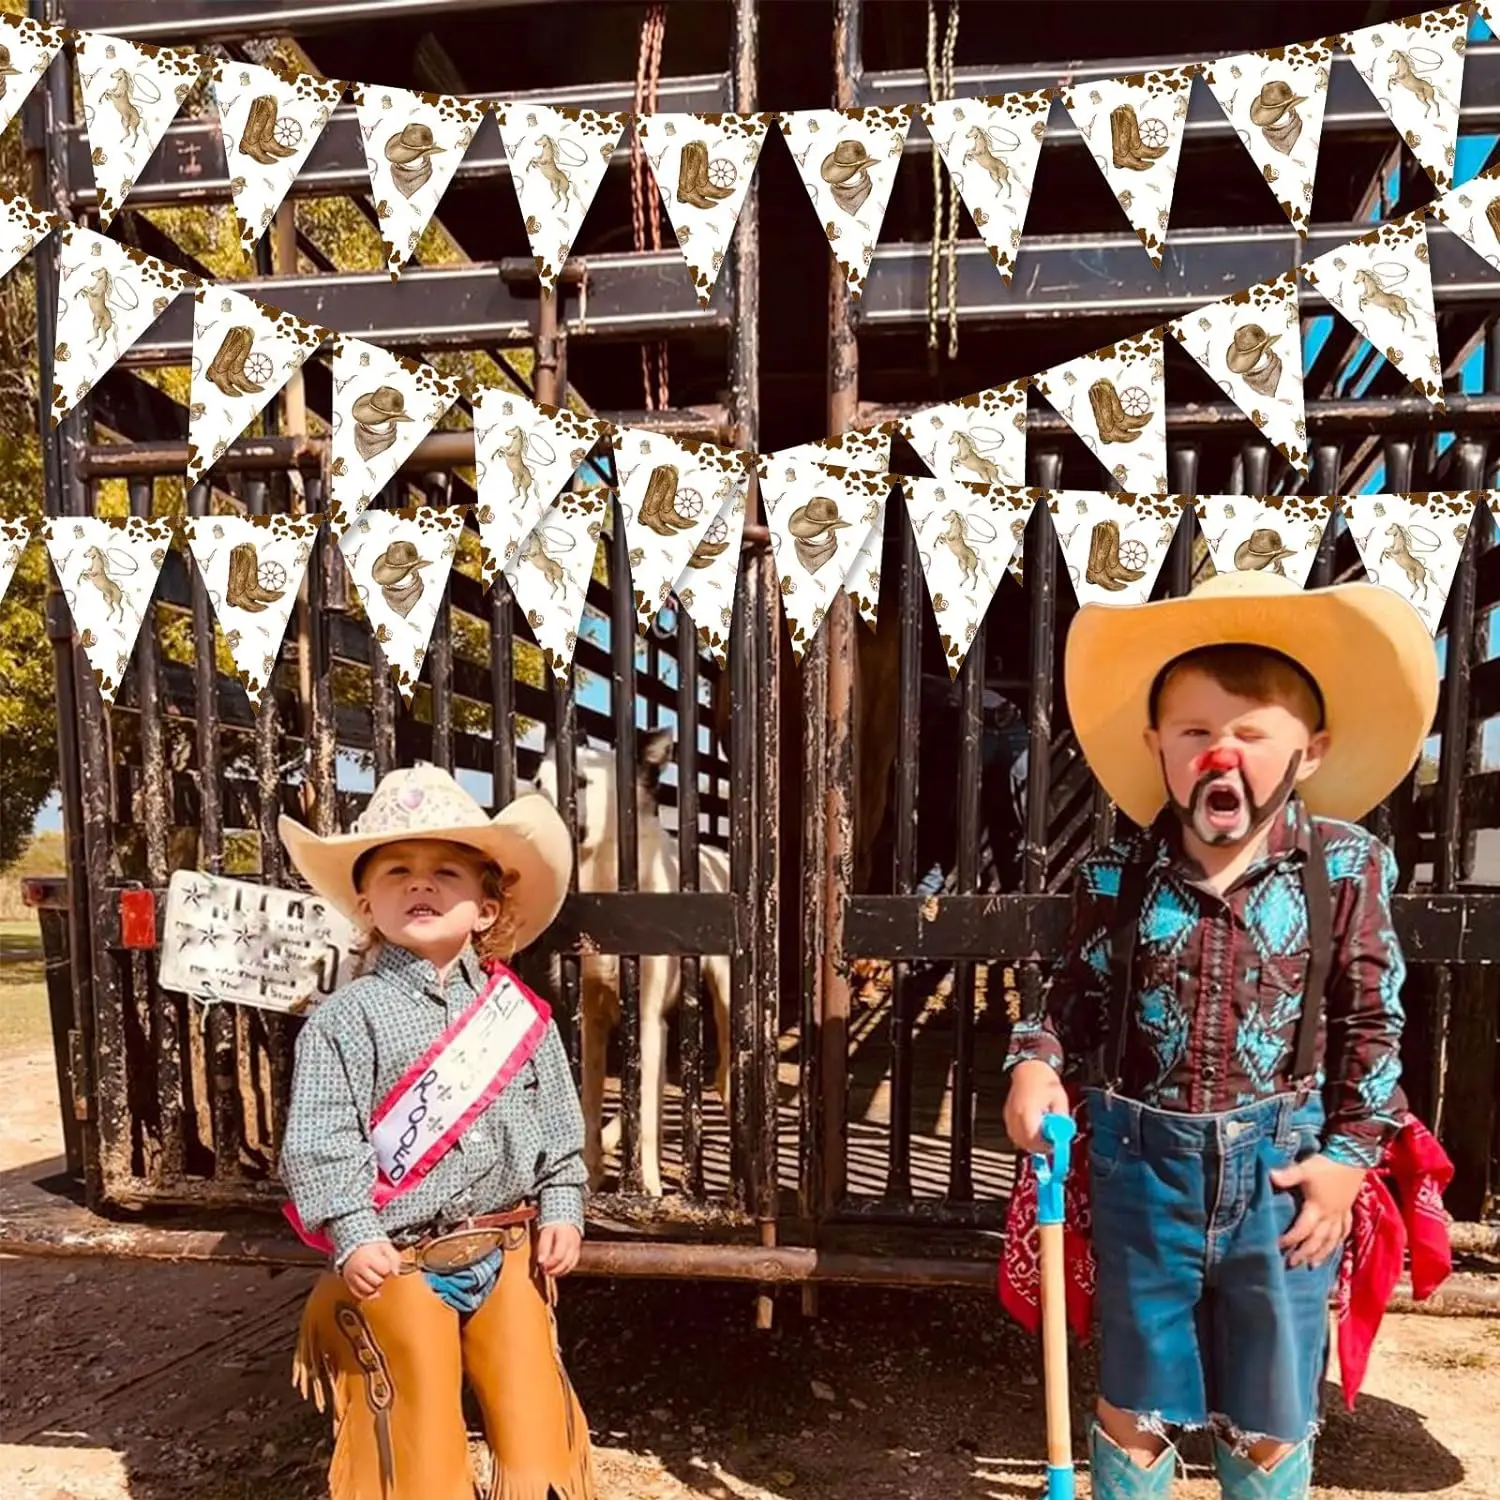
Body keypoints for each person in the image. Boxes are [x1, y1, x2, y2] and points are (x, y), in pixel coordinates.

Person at [1002, 569, 1438, 1500]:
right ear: (1158, 746)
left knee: (1273, 1402)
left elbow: (1373, 1019)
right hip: (1140, 1166)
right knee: (1136, 1390)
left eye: (1249, 734)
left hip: (1285, 1176)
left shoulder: (1347, 867)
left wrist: (1349, 1157)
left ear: (1308, 752)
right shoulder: (1118, 871)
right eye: (1195, 733)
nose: (1219, 756)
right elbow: (1068, 1006)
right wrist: (1036, 1066)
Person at [277, 764, 595, 1500]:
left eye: (445, 870)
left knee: (538, 1432)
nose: (419, 883)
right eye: (396, 870)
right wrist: (353, 1230)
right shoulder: (343, 1021)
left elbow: (557, 1127)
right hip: (401, 1263)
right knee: (416, 1443)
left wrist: (564, 1207)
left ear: (487, 908)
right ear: (366, 903)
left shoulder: (524, 1018)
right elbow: (321, 1139)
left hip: (511, 1253)